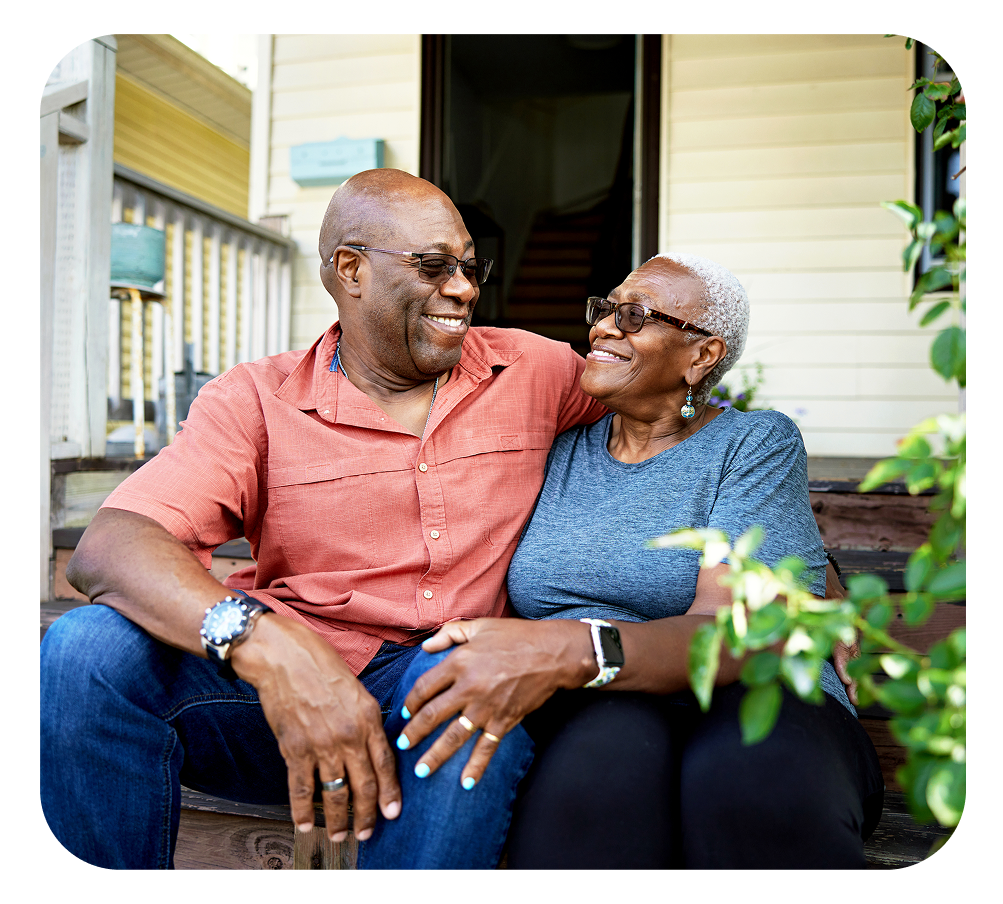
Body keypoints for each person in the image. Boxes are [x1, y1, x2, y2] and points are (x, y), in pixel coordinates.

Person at [40, 168, 607, 869]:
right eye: (433, 266)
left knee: (466, 692)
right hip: (276, 702)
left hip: (443, 688)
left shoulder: (535, 370)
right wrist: (271, 650)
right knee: (85, 651)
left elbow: (662, 417)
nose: (462, 288)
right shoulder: (255, 398)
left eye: (468, 266)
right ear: (350, 269)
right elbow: (112, 545)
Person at [391, 252, 884, 868]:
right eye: (604, 311)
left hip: (755, 696)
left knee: (745, 779)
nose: (603, 328)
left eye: (635, 316)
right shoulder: (555, 444)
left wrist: (569, 648)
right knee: (596, 780)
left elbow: (734, 634)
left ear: (703, 355)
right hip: (601, 704)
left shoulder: (752, 442)